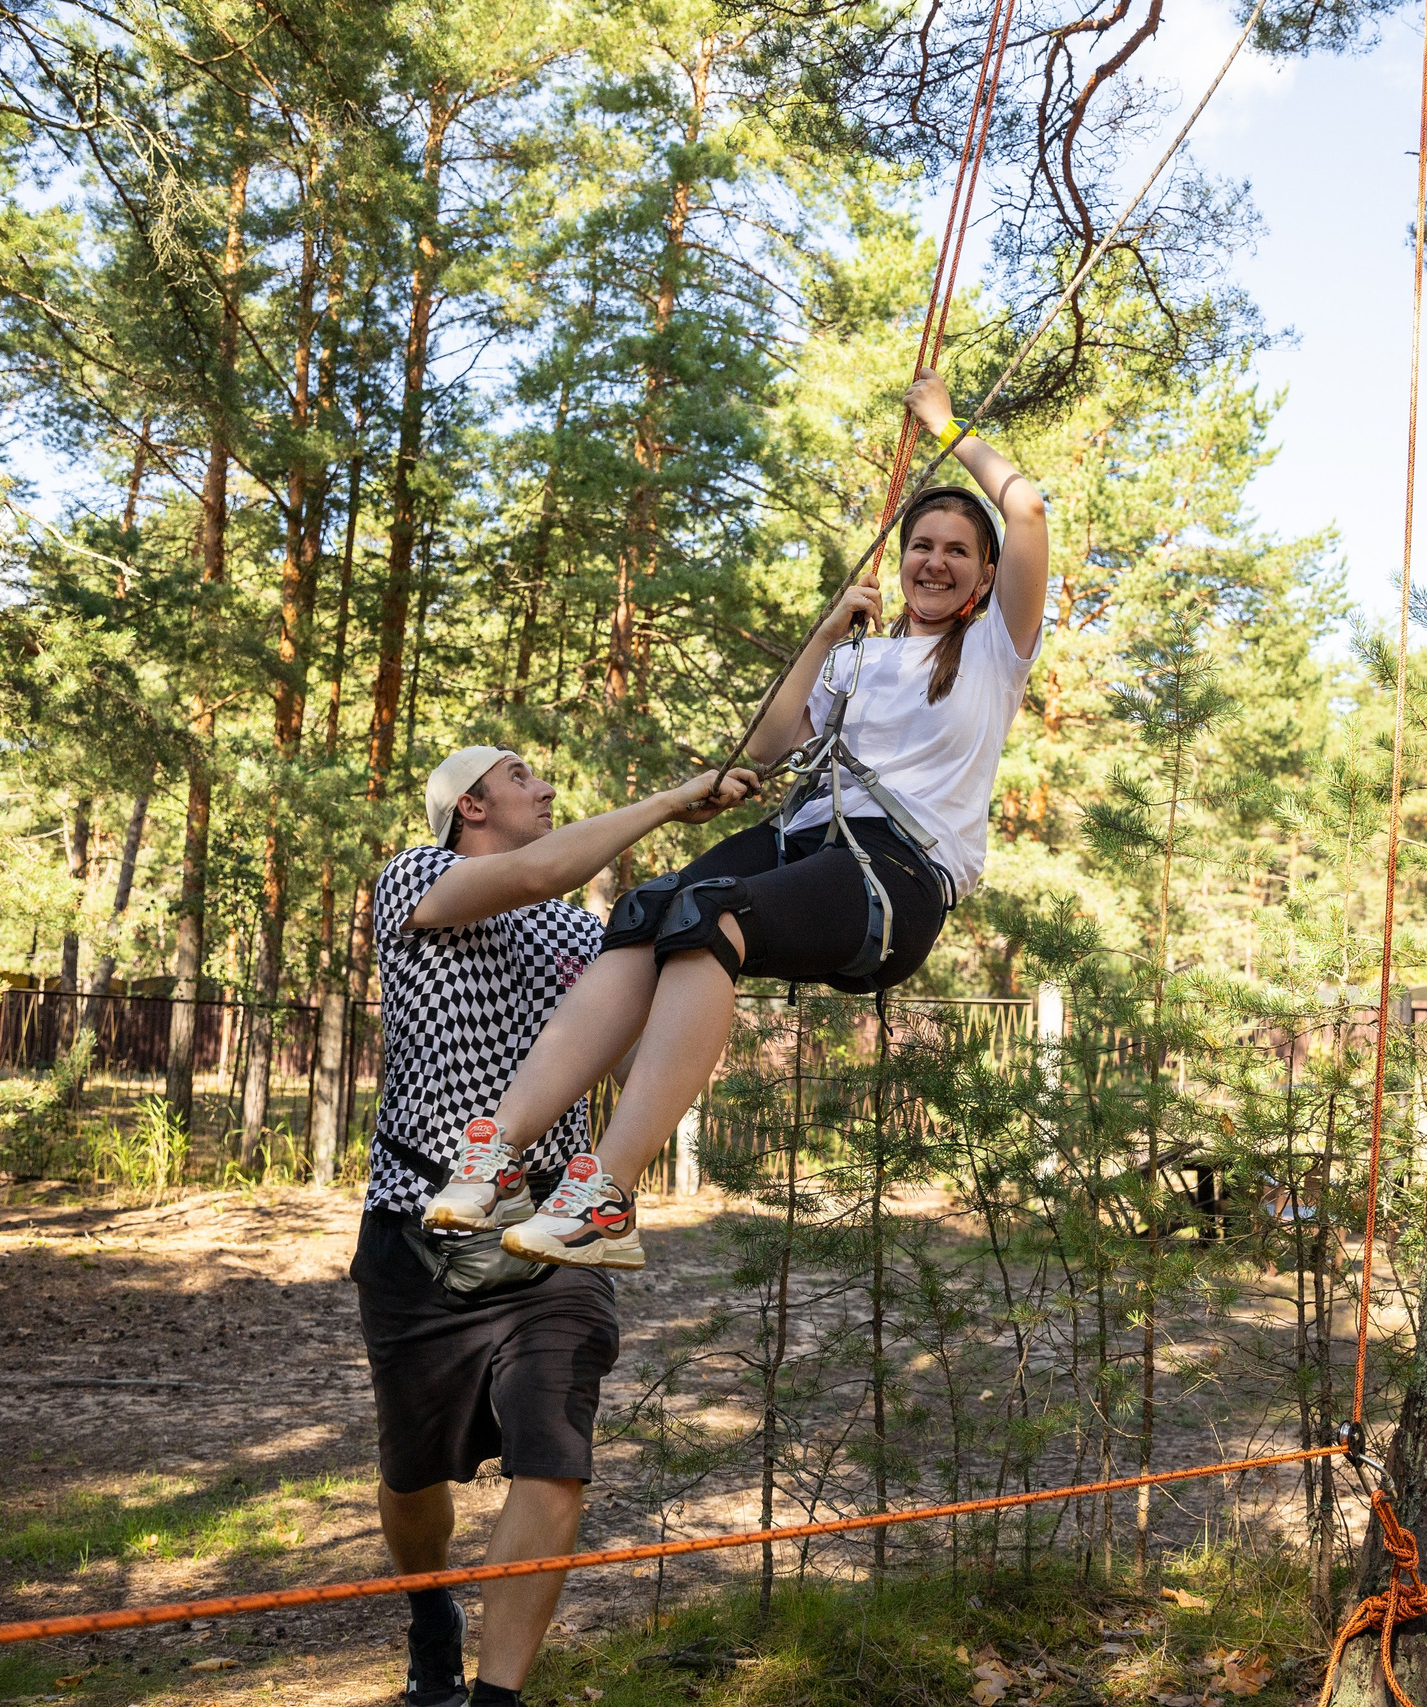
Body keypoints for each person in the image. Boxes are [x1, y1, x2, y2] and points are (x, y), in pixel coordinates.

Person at [425, 367, 1048, 1271]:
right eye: (922, 545)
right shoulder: (858, 659)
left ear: (986, 577)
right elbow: (763, 748)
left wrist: (948, 429)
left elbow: (1024, 512)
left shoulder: (996, 651)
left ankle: (606, 1193)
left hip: (894, 873)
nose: (936, 562)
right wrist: (827, 634)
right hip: (806, 841)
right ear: (901, 557)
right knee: (649, 912)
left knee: (713, 918)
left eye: (958, 549)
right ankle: (496, 1153)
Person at [352, 746, 756, 1707]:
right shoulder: (415, 877)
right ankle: (429, 1607)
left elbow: (664, 967)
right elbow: (536, 868)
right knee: (413, 1483)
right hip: (419, 1227)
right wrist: (668, 796)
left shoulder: (583, 936)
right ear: (472, 804)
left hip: (553, 1228)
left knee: (553, 1451)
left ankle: (495, 1698)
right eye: (525, 775)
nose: (546, 788)